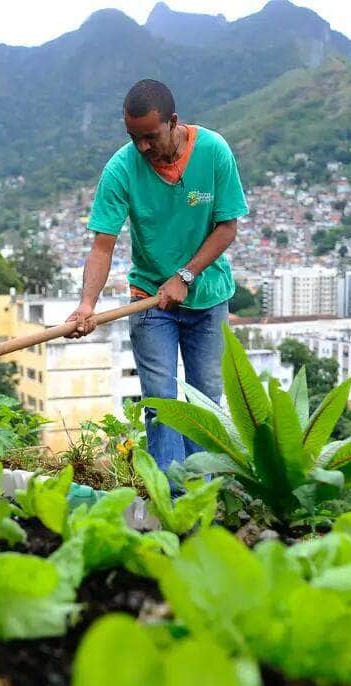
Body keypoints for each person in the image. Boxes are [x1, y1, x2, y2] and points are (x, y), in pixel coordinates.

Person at [66, 78, 248, 474]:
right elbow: (102, 245)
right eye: (134, 138)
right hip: (150, 299)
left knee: (204, 403)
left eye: (150, 136)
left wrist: (185, 275)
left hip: (208, 297)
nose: (143, 147)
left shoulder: (214, 152)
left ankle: (201, 490)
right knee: (161, 402)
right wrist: (86, 304)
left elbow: (227, 227)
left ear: (173, 122)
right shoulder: (121, 169)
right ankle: (171, 495)